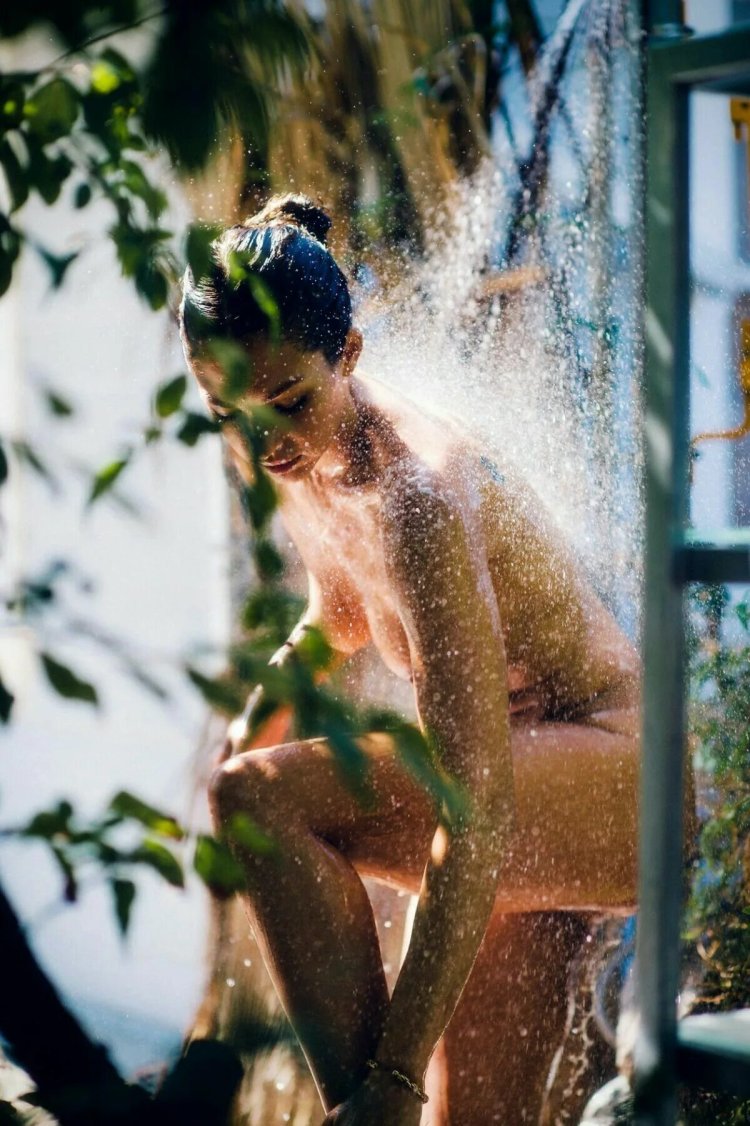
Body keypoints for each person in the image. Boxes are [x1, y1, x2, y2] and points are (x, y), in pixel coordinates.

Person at [180, 193, 640, 1125]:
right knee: (470, 1117)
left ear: (347, 356)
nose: (263, 441)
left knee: (257, 802)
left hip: (613, 775)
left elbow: (474, 815)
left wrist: (383, 1081)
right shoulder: (298, 442)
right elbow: (341, 609)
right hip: (523, 771)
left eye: (286, 403)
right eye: (228, 411)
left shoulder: (418, 496)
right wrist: (263, 705)